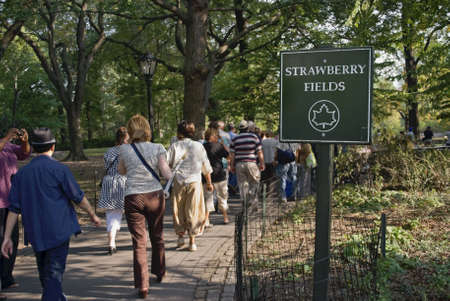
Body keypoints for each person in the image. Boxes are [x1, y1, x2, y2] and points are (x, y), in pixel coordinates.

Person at [1, 127, 100, 301]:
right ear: (53, 147)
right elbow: (78, 197)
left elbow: (13, 209)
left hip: (36, 232)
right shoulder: (59, 170)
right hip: (59, 231)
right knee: (53, 274)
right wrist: (92, 213)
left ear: (33, 146)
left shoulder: (21, 174)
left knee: (46, 275)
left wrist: (7, 237)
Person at [118, 114, 172, 299]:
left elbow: (121, 171)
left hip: (133, 197)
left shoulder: (124, 149)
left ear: (130, 131)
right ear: (147, 129)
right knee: (157, 235)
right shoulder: (158, 148)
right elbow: (165, 172)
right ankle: (160, 271)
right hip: (155, 195)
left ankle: (142, 285)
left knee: (139, 243)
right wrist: (172, 174)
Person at [167, 121, 213, 252]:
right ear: (192, 132)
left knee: (178, 209)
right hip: (195, 181)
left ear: (179, 132)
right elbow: (206, 166)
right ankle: (192, 241)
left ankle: (180, 237)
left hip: (178, 181)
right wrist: (209, 182)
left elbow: (166, 164)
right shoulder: (198, 146)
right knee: (193, 210)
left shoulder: (174, 146)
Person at [0, 128, 31, 299]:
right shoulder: (3, 143)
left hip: (10, 200)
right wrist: (7, 137)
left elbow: (24, 154)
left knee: (11, 239)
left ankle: (6, 277)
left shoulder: (8, 147)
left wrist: (24, 141)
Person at [98, 127, 129, 255]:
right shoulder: (128, 151)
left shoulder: (109, 152)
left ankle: (111, 242)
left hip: (109, 182)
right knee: (128, 212)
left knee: (111, 214)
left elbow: (106, 166)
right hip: (122, 182)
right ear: (125, 138)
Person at [230, 120, 265, 206]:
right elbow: (259, 152)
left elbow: (232, 154)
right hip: (251, 163)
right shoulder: (254, 137)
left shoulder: (235, 139)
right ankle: (252, 199)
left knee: (242, 184)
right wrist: (262, 163)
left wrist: (232, 165)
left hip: (239, 164)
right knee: (255, 182)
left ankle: (245, 200)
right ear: (248, 128)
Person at [202, 128, 230, 226]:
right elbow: (228, 156)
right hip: (219, 174)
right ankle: (225, 217)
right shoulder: (219, 146)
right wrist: (223, 144)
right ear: (213, 136)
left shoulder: (202, 147)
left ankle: (206, 219)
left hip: (206, 175)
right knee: (222, 196)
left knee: (208, 198)